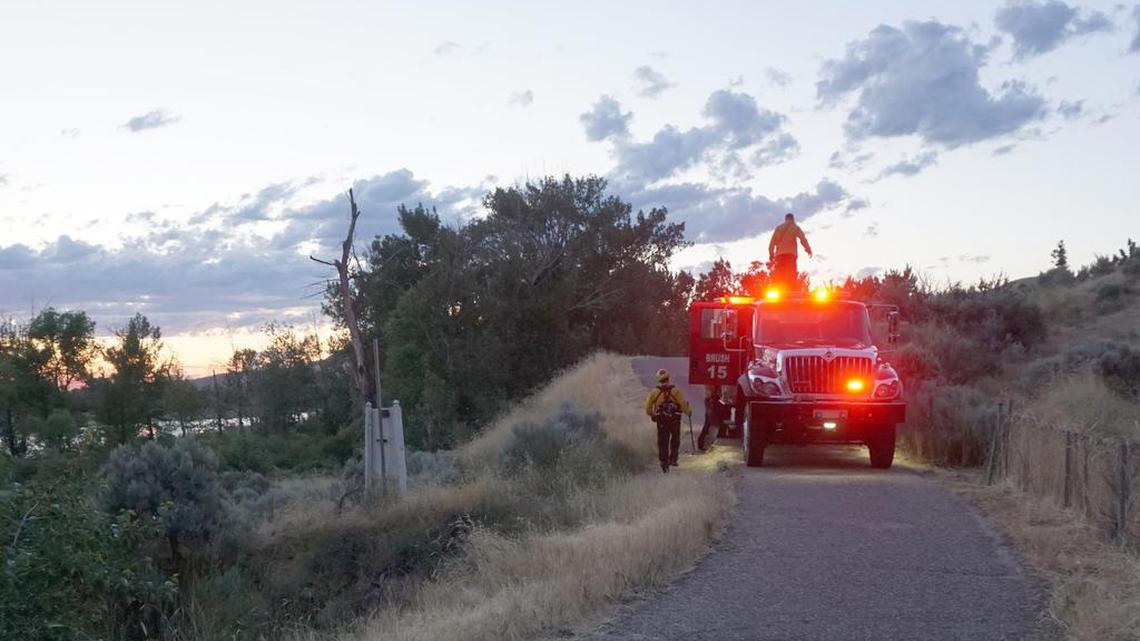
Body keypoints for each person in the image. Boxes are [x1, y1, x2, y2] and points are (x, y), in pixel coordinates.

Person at [644, 368, 692, 473]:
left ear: (658, 380)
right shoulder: (676, 391)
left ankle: (664, 463)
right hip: (675, 419)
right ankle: (673, 459)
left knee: (662, 442)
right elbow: (683, 405)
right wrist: (688, 412)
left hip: (661, 420)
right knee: (675, 438)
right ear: (668, 378)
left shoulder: (654, 393)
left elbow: (647, 409)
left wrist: (653, 415)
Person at [768, 212, 812, 289]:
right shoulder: (795, 227)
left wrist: (771, 254)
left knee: (779, 275)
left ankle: (778, 292)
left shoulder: (778, 228)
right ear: (793, 219)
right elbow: (803, 239)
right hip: (791, 255)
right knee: (791, 275)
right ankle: (791, 291)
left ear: (785, 219)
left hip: (779, 256)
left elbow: (772, 243)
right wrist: (808, 249)